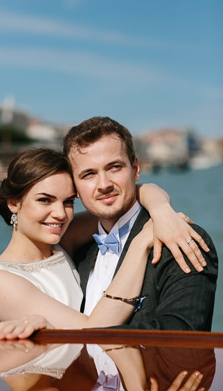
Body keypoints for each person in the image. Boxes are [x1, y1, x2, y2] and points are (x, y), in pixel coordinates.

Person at [0, 147, 208, 338]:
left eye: (68, 202)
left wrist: (162, 211)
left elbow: (134, 197)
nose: (60, 214)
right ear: (13, 203)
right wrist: (140, 243)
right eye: (45, 200)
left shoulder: (62, 239)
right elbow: (93, 332)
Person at [62, 116, 218, 331]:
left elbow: (181, 334)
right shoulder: (74, 255)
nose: (104, 184)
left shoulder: (181, 239)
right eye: (88, 174)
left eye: (114, 167)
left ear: (135, 169)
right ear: (75, 187)